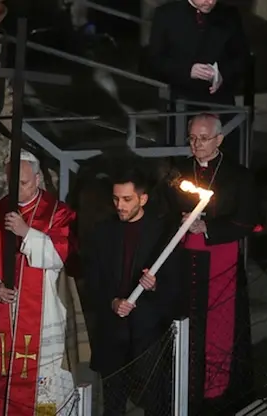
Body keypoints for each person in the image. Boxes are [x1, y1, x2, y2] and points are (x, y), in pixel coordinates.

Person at [0, 150, 78, 416]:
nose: (16, 190)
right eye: (11, 184)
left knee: (44, 388)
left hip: (43, 317)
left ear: (37, 179)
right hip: (0, 314)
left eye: (23, 183)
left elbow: (63, 254)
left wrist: (27, 233)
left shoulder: (57, 213)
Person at [170, 114, 262, 413]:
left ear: (219, 139)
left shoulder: (239, 175)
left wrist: (207, 227)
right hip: (183, 262)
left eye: (203, 138)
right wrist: (179, 222)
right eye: (192, 138)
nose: (196, 144)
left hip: (220, 260)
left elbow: (248, 220)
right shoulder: (179, 171)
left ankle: (217, 392)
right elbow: (163, 210)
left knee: (218, 328)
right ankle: (185, 389)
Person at [83, 166, 179, 416]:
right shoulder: (103, 232)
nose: (120, 206)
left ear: (142, 199)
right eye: (116, 199)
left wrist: (155, 285)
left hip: (148, 333)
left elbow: (176, 283)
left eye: (127, 199)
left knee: (155, 400)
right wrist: (112, 301)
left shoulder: (162, 232)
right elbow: (92, 279)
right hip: (113, 332)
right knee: (113, 401)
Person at [147, 0, 249, 159]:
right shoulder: (166, 15)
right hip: (182, 102)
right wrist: (187, 70)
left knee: (226, 156)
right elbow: (154, 62)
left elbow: (242, 58)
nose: (210, 1)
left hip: (220, 101)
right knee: (183, 160)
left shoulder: (229, 15)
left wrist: (222, 74)